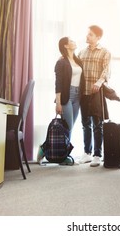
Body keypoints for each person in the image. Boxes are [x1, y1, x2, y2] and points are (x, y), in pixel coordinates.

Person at [37, 37, 84, 165]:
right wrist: (58, 102)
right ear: (66, 45)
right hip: (66, 96)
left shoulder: (78, 60)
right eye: (72, 40)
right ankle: (63, 156)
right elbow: (58, 83)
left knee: (70, 127)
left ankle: (44, 148)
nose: (75, 41)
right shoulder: (61, 62)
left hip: (77, 96)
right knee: (67, 127)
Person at [78, 25, 111, 167]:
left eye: (90, 34)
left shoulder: (105, 52)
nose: (87, 36)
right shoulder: (81, 53)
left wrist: (98, 83)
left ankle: (97, 155)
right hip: (83, 92)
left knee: (98, 124)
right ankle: (87, 153)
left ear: (98, 37)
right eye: (88, 34)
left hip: (96, 92)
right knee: (85, 124)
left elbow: (106, 71)